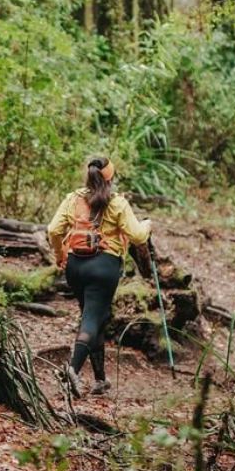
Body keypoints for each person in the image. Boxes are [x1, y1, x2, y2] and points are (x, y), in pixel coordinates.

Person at [47, 158, 151, 398]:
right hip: (104, 267)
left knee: (95, 317)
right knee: (92, 319)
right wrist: (147, 225)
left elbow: (53, 230)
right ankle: (72, 369)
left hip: (75, 266)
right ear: (110, 179)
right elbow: (136, 236)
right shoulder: (117, 203)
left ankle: (100, 379)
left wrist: (60, 253)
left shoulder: (73, 198)